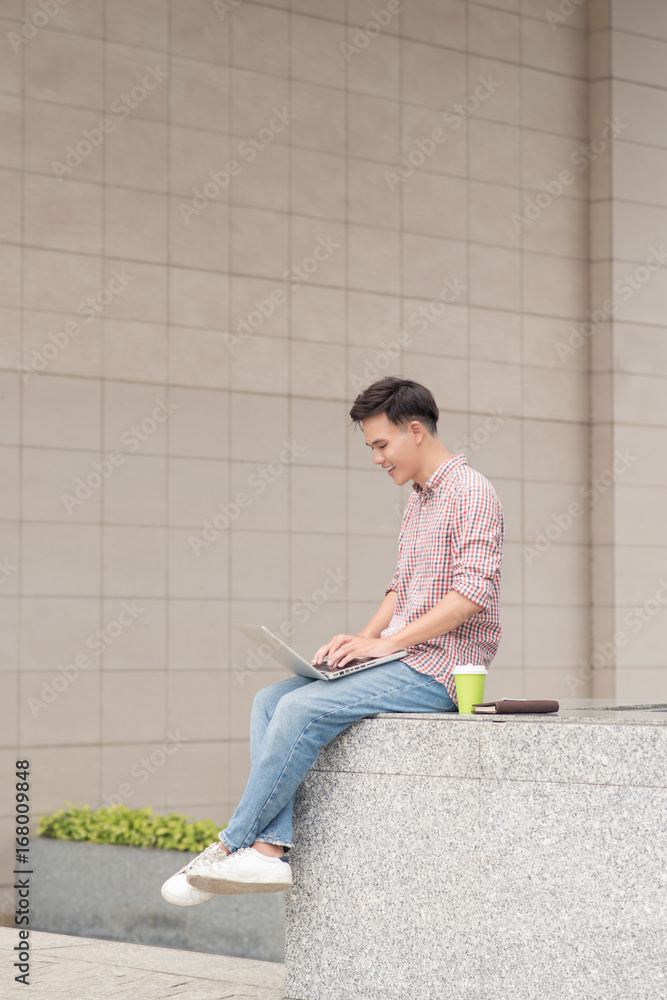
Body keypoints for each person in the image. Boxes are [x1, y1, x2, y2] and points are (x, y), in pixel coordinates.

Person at [161, 376, 504, 904]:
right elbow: (402, 588)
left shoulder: (472, 492)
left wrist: (386, 645)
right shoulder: (418, 501)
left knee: (299, 710)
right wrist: (358, 640)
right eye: (371, 448)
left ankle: (230, 850)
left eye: (380, 445)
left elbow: (470, 597)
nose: (376, 459)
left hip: (440, 670)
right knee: (268, 701)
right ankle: (272, 849)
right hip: (402, 658)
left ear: (414, 432)